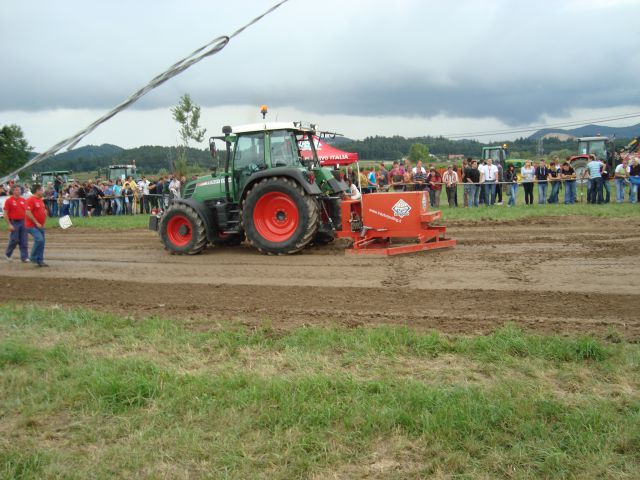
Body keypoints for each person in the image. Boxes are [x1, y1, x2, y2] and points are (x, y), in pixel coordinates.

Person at [3, 184, 29, 262]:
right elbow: (5, 213)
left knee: (24, 240)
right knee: (14, 240)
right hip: (14, 222)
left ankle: (24, 257)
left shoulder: (23, 200)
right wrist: (9, 224)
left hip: (23, 221)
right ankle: (8, 254)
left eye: (19, 190)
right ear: (13, 191)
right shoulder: (9, 200)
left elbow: (26, 211)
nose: (19, 191)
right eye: (17, 190)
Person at [25, 184, 48, 267]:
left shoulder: (40, 200)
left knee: (42, 243)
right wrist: (36, 222)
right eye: (41, 190)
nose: (43, 191)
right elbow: (28, 212)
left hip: (40, 225)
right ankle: (33, 257)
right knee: (39, 240)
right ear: (37, 191)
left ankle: (40, 260)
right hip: (31, 225)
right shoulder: (30, 200)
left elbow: (42, 210)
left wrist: (45, 212)